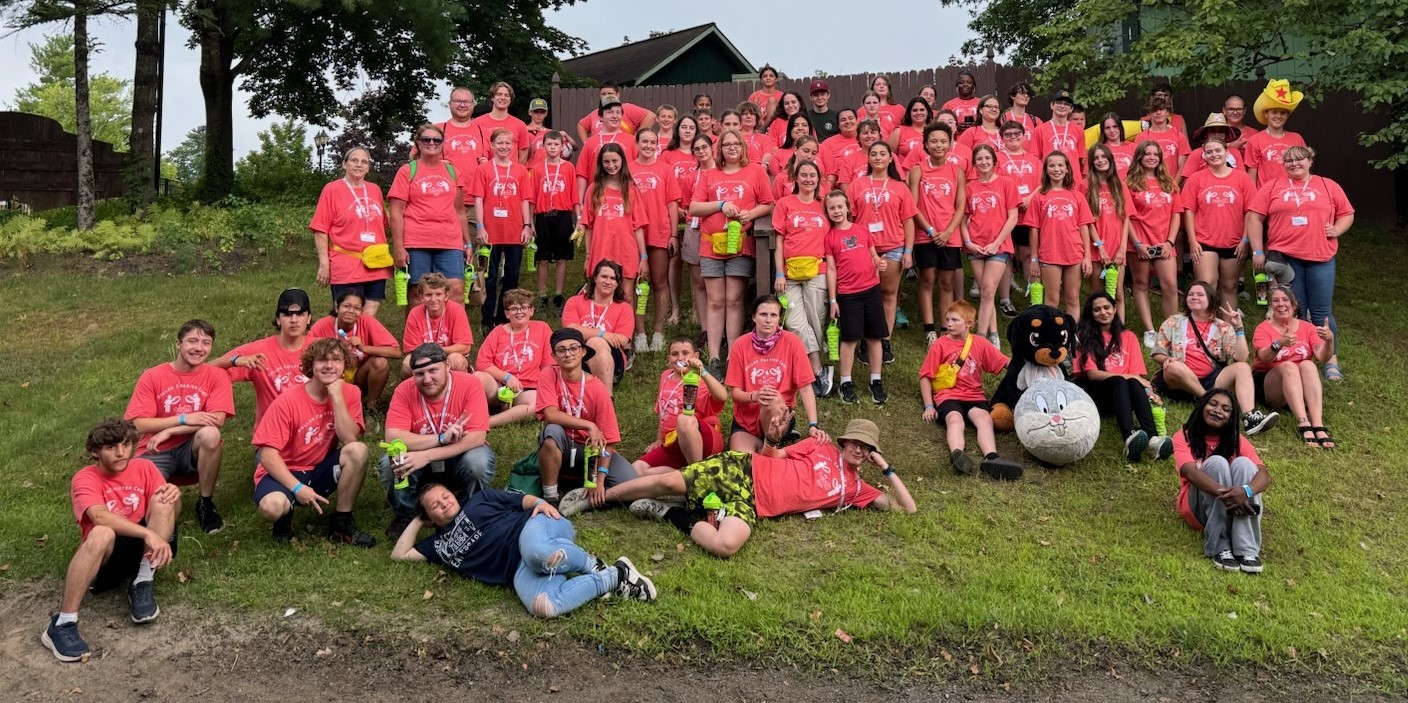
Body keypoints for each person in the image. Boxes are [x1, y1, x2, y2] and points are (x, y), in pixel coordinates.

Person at [563, 417, 915, 559]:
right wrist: (773, 437)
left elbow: (907, 510)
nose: (857, 449)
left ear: (871, 453)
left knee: (726, 545)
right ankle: (598, 499)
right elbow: (773, 455)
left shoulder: (857, 489)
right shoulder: (818, 445)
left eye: (865, 447)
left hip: (755, 503)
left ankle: (671, 513)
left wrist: (886, 468)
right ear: (843, 441)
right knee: (671, 480)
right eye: (853, 442)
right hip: (744, 469)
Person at [390, 484, 658, 617]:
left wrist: (541, 502)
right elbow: (399, 555)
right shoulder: (437, 545)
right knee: (544, 607)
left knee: (540, 554)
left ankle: (589, 563)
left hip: (534, 528)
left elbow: (523, 501)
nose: (444, 504)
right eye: (435, 505)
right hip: (517, 568)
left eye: (445, 496)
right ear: (428, 519)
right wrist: (418, 518)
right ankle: (617, 575)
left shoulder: (480, 500)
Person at [42, 419, 180, 662]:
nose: (120, 452)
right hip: (107, 559)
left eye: (126, 444)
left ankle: (142, 582)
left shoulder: (145, 468)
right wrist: (149, 534)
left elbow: (168, 512)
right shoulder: (85, 478)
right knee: (102, 531)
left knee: (164, 500)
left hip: (142, 553)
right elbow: (99, 515)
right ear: (95, 451)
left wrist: (174, 496)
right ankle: (63, 623)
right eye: (111, 447)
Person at [251, 338, 375, 546]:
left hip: (318, 469)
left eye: (336, 360)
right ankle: (284, 518)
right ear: (311, 365)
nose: (329, 365)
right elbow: (267, 455)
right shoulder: (288, 400)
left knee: (358, 451)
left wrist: (336, 396)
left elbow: (349, 439)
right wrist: (298, 488)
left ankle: (341, 523)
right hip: (284, 471)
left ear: (345, 364)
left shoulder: (350, 393)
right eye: (322, 360)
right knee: (271, 507)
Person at [1247, 145, 1353, 381]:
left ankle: (1330, 358)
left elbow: (1347, 212)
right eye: (1289, 161)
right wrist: (1256, 250)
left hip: (1320, 256)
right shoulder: (1273, 186)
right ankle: (1299, 357)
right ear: (1283, 164)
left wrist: (1337, 228)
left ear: (1310, 161)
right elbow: (1255, 217)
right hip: (1286, 258)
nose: (1294, 164)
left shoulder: (1327, 185)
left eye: (1300, 159)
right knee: (1296, 309)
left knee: (1322, 311)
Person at [122, 319, 233, 534]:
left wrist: (170, 431)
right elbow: (138, 423)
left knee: (211, 434)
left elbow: (216, 419)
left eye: (206, 343)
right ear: (178, 344)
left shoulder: (217, 375)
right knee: (147, 507)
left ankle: (206, 504)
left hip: (190, 449)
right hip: (154, 451)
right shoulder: (153, 376)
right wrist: (183, 419)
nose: (199, 348)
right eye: (192, 341)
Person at [379, 343, 496, 539]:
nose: (427, 379)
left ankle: (469, 510)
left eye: (433, 370)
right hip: (421, 461)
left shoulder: (470, 384)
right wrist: (441, 438)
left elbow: (476, 437)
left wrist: (426, 455)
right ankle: (406, 513)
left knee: (478, 461)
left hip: (457, 456)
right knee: (390, 462)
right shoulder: (404, 390)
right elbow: (393, 436)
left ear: (447, 366)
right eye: (419, 374)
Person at [689, 128, 775, 370]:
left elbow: (767, 204)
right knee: (715, 301)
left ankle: (734, 356)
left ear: (743, 147)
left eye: (736, 143)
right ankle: (715, 356)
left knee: (735, 300)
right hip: (711, 245)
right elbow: (694, 207)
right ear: (720, 149)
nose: (732, 148)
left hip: (739, 244)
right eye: (727, 144)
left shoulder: (755, 171)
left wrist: (751, 213)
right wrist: (721, 204)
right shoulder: (709, 174)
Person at [1151, 281, 1279, 435]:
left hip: (1211, 379)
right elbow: (1157, 352)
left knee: (1243, 367)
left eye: (1200, 294)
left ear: (1210, 299)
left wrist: (1239, 328)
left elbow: (1241, 357)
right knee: (1173, 366)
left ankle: (1249, 417)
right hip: (1179, 381)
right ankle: (1207, 399)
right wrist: (1166, 360)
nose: (1194, 297)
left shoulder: (1222, 327)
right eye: (1191, 294)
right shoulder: (1173, 322)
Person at [918, 301, 1023, 480]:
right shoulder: (940, 344)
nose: (948, 324)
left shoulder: (980, 343)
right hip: (948, 395)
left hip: (974, 395)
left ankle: (992, 458)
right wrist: (929, 406)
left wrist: (1030, 367)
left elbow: (1006, 362)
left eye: (954, 320)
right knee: (955, 420)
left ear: (969, 324)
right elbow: (925, 376)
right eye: (947, 319)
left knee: (984, 419)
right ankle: (957, 454)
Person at [534, 328, 640, 507]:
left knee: (630, 485)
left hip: (591, 450)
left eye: (573, 348)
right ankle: (550, 496)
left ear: (583, 352)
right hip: (564, 444)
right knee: (552, 431)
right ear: (554, 356)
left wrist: (599, 479)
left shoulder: (597, 387)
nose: (568, 354)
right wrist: (589, 425)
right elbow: (550, 414)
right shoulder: (548, 375)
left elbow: (610, 439)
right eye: (562, 350)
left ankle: (592, 497)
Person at [1173, 389, 1271, 573]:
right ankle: (1221, 547)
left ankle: (1247, 550)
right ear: (1202, 406)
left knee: (1244, 464)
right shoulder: (1184, 435)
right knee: (1217, 463)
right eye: (1213, 404)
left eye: (1226, 409)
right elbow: (1190, 472)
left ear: (1231, 417)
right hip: (1198, 507)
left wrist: (1245, 492)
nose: (1218, 410)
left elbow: (1265, 476)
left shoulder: (1236, 440)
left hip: (1236, 502)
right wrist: (1229, 495)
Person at [1074, 292, 1172, 462]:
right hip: (1097, 396)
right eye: (1097, 310)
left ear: (1115, 308)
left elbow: (1135, 376)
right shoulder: (1084, 337)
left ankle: (1153, 439)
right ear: (1090, 313)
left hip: (1123, 396)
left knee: (1131, 381)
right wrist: (1131, 378)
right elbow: (1092, 374)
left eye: (1106, 307)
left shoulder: (1129, 337)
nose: (1103, 312)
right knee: (1122, 380)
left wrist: (1148, 391)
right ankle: (1129, 436)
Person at [847, 140, 918, 365]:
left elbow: (908, 222)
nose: (878, 157)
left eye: (883, 154)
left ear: (890, 159)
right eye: (874, 154)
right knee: (866, 295)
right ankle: (866, 341)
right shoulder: (856, 185)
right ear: (868, 158)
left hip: (893, 247)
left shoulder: (899, 187)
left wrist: (908, 251)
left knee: (888, 295)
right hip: (864, 248)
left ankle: (884, 339)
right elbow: (850, 219)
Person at [389, 123, 471, 307]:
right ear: (418, 143)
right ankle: (417, 335)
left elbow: (459, 211)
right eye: (426, 139)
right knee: (418, 296)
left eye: (436, 140)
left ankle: (453, 335)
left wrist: (468, 243)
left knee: (455, 291)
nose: (431, 143)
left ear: (443, 143)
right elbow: (396, 212)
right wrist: (399, 247)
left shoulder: (452, 171)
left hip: (449, 241)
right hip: (417, 241)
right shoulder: (407, 171)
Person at [726, 295, 822, 451]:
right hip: (746, 420)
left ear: (779, 319)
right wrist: (755, 396)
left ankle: (772, 441)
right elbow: (735, 394)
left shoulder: (792, 342)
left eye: (773, 315)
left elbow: (805, 387)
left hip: (780, 413)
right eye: (763, 314)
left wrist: (813, 424)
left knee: (772, 397)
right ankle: (763, 444)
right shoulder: (740, 344)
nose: (768, 320)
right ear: (753, 317)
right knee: (743, 463)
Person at [771, 161, 833, 396]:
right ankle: (817, 368)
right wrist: (779, 272)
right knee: (795, 321)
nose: (808, 179)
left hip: (818, 270)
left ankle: (809, 367)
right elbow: (779, 241)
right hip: (789, 272)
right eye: (804, 175)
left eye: (813, 176)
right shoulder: (785, 204)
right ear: (795, 178)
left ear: (819, 180)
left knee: (816, 318)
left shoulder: (823, 206)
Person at [823, 191, 888, 405]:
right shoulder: (830, 237)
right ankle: (845, 381)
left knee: (875, 336)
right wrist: (833, 301)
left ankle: (876, 379)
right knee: (850, 338)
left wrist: (879, 263)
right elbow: (831, 269)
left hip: (870, 289)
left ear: (848, 207)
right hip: (848, 294)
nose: (836, 211)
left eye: (840, 207)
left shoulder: (861, 230)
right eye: (832, 208)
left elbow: (873, 255)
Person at [310, 147, 391, 317]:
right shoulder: (332, 189)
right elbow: (320, 229)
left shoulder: (375, 189)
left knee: (369, 314)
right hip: (346, 263)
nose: (359, 165)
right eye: (354, 160)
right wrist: (324, 265)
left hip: (375, 262)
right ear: (344, 164)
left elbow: (383, 223)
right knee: (347, 314)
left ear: (368, 168)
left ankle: (361, 343)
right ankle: (342, 343)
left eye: (364, 162)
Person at [214, 288, 312, 426]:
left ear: (309, 318)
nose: (294, 320)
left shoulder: (320, 350)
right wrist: (234, 360)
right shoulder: (258, 350)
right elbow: (209, 369)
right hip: (272, 435)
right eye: (287, 315)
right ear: (278, 319)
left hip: (312, 435)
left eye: (300, 314)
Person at [1252, 286, 1335, 448]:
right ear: (1271, 306)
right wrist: (1279, 344)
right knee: (1289, 366)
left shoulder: (1307, 328)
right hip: (1271, 386)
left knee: (1308, 365)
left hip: (1299, 387)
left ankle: (1317, 423)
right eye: (1275, 300)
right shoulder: (1263, 329)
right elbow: (1264, 358)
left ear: (1294, 304)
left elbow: (1322, 357)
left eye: (1285, 300)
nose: (1280, 304)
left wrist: (1330, 340)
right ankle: (1303, 422)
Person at [632, 336, 729, 473]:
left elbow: (722, 396)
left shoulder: (700, 379)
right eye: (674, 354)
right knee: (637, 469)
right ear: (668, 358)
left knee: (684, 419)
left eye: (685, 353)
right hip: (674, 443)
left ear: (695, 356)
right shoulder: (666, 376)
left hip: (703, 439)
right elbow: (663, 410)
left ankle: (696, 474)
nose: (680, 358)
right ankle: (687, 473)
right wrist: (659, 439)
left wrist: (702, 371)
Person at [909, 122, 967, 345]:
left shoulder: (957, 171)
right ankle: (929, 329)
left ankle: (946, 327)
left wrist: (949, 231)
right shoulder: (918, 170)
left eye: (943, 141)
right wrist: (932, 230)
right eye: (934, 141)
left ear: (950, 144)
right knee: (927, 279)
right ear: (925, 143)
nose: (939, 145)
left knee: (946, 281)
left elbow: (960, 206)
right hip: (926, 235)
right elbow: (912, 206)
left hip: (949, 235)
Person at [470, 127, 534, 328]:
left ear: (513, 145)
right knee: (489, 277)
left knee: (512, 278)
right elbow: (479, 200)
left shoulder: (520, 171)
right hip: (491, 232)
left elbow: (525, 200)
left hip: (514, 231)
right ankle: (487, 320)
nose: (504, 147)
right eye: (500, 143)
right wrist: (480, 226)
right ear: (492, 145)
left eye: (508, 143)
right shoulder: (483, 170)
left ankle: (503, 318)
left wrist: (527, 226)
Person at [1182, 135, 1256, 306]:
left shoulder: (1242, 178)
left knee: (1229, 286)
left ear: (1227, 152)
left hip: (1234, 242)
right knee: (1207, 285)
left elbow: (1250, 212)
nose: (1214, 154)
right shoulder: (1196, 179)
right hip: (1204, 241)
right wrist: (1192, 241)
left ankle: (1228, 329)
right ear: (1204, 156)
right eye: (1209, 152)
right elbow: (1188, 211)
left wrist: (1245, 241)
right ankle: (1206, 327)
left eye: (1218, 150)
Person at [1126, 141, 1184, 348]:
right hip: (1139, 242)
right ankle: (1150, 330)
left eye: (1155, 154)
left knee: (1170, 285)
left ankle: (1170, 329)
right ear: (1139, 157)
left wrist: (1170, 241)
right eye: (1147, 153)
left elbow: (1177, 214)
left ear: (1160, 158)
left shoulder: (1169, 183)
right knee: (1141, 284)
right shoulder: (1131, 183)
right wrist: (1137, 244)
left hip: (1164, 242)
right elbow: (1127, 217)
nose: (1151, 157)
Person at [581, 143, 649, 315]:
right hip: (601, 249)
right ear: (601, 164)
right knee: (601, 294)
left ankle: (626, 338)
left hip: (626, 249)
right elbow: (588, 226)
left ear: (622, 161)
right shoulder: (593, 189)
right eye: (606, 161)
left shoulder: (631, 190)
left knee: (626, 295)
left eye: (615, 161)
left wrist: (643, 257)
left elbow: (638, 227)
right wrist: (588, 255)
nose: (611, 165)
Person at [962, 143, 1019, 348]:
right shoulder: (969, 188)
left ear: (994, 161)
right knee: (988, 293)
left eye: (987, 158)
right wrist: (968, 242)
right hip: (975, 247)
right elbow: (963, 217)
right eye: (979, 159)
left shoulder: (1006, 183)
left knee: (986, 291)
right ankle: (994, 334)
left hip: (999, 245)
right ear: (974, 163)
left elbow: (1013, 217)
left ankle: (979, 339)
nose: (984, 162)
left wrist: (996, 243)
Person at [308, 291, 399, 415]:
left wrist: (364, 348)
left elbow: (396, 352)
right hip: (329, 379)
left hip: (358, 379)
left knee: (380, 362)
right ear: (337, 307)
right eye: (346, 306)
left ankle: (371, 407)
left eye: (357, 308)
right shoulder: (322, 325)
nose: (351, 311)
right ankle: (322, 404)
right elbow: (305, 353)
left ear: (361, 311)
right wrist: (338, 347)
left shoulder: (367, 322)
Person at [1027, 152, 1095, 317]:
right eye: (1052, 165)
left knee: (1072, 298)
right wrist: (1034, 259)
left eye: (1060, 165)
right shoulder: (1039, 197)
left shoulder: (1077, 196)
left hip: (1074, 253)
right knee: (1052, 300)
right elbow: (1034, 230)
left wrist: (1087, 257)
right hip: (1050, 254)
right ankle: (1053, 338)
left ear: (1067, 169)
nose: (1056, 169)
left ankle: (1073, 337)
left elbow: (1084, 227)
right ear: (1046, 170)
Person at [474, 288, 553, 428]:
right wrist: (507, 377)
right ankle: (473, 415)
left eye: (524, 307)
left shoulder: (542, 329)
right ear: (506, 313)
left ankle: (487, 422)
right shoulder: (498, 332)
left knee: (536, 405)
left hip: (527, 389)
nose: (519, 312)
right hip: (499, 386)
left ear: (532, 311)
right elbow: (482, 363)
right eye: (514, 308)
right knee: (477, 377)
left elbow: (549, 365)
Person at [633, 128, 682, 351]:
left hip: (659, 231)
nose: (649, 145)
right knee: (636, 284)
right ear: (637, 143)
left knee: (659, 283)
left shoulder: (665, 170)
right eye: (645, 141)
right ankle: (639, 331)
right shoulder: (629, 169)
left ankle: (659, 331)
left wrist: (673, 234)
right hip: (632, 233)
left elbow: (672, 204)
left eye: (653, 142)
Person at [562, 259, 635, 389]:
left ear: (618, 283)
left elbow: (622, 339)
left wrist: (588, 334)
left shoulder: (624, 308)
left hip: (612, 357)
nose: (608, 281)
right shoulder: (574, 302)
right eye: (604, 276)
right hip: (576, 354)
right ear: (595, 278)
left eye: (613, 278)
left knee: (596, 342)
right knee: (595, 341)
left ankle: (607, 397)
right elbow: (571, 330)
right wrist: (603, 334)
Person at [530, 130, 579, 311]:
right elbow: (531, 197)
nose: (552, 147)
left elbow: (574, 195)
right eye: (549, 144)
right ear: (543, 146)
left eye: (556, 144)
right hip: (543, 216)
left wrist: (578, 219)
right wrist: (530, 222)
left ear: (562, 147)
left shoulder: (568, 168)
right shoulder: (536, 169)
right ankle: (542, 295)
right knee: (542, 259)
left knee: (561, 258)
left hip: (563, 215)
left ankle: (559, 294)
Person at [1083, 143, 1133, 319]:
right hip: (1096, 246)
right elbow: (1086, 220)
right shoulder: (1086, 185)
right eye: (1096, 158)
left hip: (1117, 245)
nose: (1100, 160)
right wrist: (1100, 246)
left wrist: (1123, 248)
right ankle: (1096, 331)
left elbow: (1126, 217)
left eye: (1103, 157)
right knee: (1097, 293)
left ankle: (1118, 330)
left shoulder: (1120, 185)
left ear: (1110, 160)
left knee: (1117, 292)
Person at [998, 121, 1041, 317]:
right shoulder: (997, 158)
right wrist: (1014, 201)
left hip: (1029, 214)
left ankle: (1035, 300)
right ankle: (1005, 300)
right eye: (1008, 134)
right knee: (1006, 256)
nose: (1013, 137)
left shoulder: (1034, 159)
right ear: (1002, 137)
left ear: (1024, 136)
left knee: (1027, 255)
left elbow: (1043, 183)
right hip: (1005, 215)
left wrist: (1029, 197)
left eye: (1017, 134)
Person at [400, 273, 474, 375]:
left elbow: (465, 347)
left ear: (446, 295)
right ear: (421, 297)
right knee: (407, 364)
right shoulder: (414, 314)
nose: (433, 300)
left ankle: (457, 390)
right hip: (423, 357)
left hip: (448, 355)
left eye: (438, 294)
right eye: (428, 295)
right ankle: (413, 391)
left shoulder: (456, 310)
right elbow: (413, 350)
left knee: (456, 360)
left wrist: (437, 351)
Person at [575, 96, 641, 197]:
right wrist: (580, 202)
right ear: (600, 117)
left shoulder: (632, 141)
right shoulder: (590, 142)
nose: (615, 116)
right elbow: (582, 173)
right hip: (597, 196)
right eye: (610, 112)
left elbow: (638, 171)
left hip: (625, 196)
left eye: (618, 112)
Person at [576, 82, 655, 143]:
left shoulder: (627, 108)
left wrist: (637, 137)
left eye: (610, 93)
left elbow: (651, 117)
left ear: (618, 95)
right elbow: (581, 125)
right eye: (603, 94)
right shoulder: (595, 113)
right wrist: (587, 143)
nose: (606, 96)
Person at [471, 82, 530, 163]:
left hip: (510, 174)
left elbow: (523, 156)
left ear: (510, 100)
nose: (503, 98)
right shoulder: (476, 123)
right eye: (499, 94)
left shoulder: (520, 125)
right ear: (492, 97)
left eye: (507, 95)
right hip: (485, 173)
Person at [1179, 113, 1244, 181]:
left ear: (1226, 133)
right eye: (1213, 131)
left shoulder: (1235, 152)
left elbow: (1242, 178)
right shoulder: (1195, 154)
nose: (1217, 134)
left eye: (1221, 131)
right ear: (1206, 134)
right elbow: (1188, 182)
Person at [1034, 89, 1086, 173]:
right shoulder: (1040, 130)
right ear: (1052, 105)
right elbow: (1035, 159)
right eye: (1059, 103)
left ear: (1071, 109)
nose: (1062, 106)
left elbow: (1081, 158)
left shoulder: (1078, 130)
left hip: (1074, 181)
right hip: (1050, 181)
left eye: (1066, 104)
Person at [1141, 97, 1190, 174]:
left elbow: (1183, 166)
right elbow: (1139, 165)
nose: (1158, 113)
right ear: (1149, 114)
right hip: (1149, 184)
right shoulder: (1142, 137)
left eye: (1161, 109)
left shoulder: (1179, 136)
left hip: (1175, 183)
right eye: (1154, 110)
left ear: (1167, 113)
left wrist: (1174, 185)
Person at [818, 109, 861, 191]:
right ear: (838, 125)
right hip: (838, 192)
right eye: (843, 120)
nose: (848, 122)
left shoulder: (866, 139)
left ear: (857, 121)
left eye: (851, 118)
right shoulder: (827, 144)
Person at [890, 97, 933, 166]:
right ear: (909, 113)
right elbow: (890, 157)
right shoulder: (899, 131)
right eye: (915, 110)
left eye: (922, 110)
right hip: (904, 175)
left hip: (929, 175)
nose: (918, 113)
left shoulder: (934, 132)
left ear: (927, 112)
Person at [1001, 81, 1043, 148]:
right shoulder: (1003, 119)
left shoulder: (1036, 121)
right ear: (1012, 96)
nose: (1026, 96)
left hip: (1031, 157)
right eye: (1021, 93)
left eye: (1028, 94)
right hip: (1009, 157)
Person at [771, 113, 813, 178]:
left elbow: (829, 178)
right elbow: (778, 182)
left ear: (810, 129)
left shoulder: (822, 149)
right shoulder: (778, 154)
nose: (800, 128)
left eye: (804, 125)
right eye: (795, 125)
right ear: (789, 130)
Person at [1097, 112, 1138, 177]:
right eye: (1107, 128)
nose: (1112, 130)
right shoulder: (1097, 150)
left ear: (1120, 127)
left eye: (1115, 126)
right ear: (1103, 131)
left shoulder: (1133, 147)